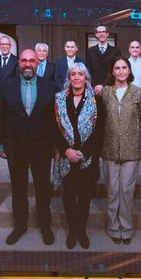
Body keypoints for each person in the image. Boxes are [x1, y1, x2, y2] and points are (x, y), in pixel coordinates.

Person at [0, 49, 58, 246]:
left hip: (42, 146)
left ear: (37, 63)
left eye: (32, 60)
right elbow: (0, 115)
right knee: (18, 188)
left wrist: (56, 146)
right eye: (24, 60)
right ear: (19, 63)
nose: (28, 64)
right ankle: (20, 225)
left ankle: (45, 225)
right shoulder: (6, 85)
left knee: (42, 189)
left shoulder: (50, 86)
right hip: (15, 146)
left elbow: (54, 120)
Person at [54, 62, 104, 250]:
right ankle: (72, 231)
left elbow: (99, 131)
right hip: (66, 157)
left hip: (87, 159)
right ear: (69, 78)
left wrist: (83, 152)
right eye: (73, 74)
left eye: (80, 74)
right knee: (68, 196)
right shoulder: (59, 99)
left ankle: (81, 230)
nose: (76, 77)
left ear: (86, 78)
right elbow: (54, 129)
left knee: (84, 197)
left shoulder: (96, 100)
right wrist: (66, 150)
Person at [97, 57, 141, 245]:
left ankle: (126, 228)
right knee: (112, 191)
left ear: (129, 70)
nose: (121, 71)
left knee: (126, 190)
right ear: (112, 71)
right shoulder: (105, 93)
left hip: (131, 150)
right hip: (109, 149)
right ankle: (113, 227)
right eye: (117, 68)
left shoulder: (138, 93)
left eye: (124, 67)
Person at [0, 35, 17, 160]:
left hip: (11, 97)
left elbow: (17, 79)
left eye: (7, 44)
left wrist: (7, 93)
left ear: (10, 46)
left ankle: (8, 146)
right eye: (2, 44)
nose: (5, 46)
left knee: (10, 122)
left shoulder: (17, 60)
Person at [85, 23, 117, 92]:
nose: (101, 34)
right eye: (99, 32)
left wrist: (103, 85)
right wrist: (95, 86)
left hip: (110, 88)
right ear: (96, 34)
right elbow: (88, 71)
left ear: (107, 34)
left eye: (103, 32)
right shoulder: (90, 51)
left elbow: (115, 71)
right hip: (94, 89)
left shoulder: (115, 51)